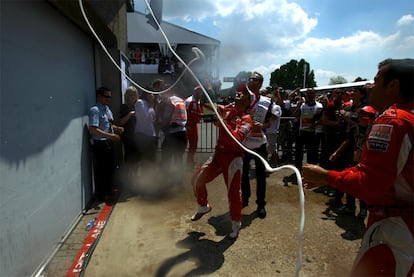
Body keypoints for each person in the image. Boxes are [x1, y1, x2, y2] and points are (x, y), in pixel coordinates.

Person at [302, 58, 414, 276]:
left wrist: (326, 176)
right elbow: (369, 169)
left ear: (393, 86)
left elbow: (370, 183)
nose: (369, 86)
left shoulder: (393, 120)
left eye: (376, 80)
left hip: (393, 227)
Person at [190, 84, 254, 239]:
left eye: (244, 93)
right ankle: (203, 205)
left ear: (248, 101)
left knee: (233, 192)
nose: (239, 93)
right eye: (240, 91)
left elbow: (236, 139)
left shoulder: (247, 120)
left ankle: (236, 224)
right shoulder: (227, 109)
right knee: (197, 179)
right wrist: (205, 96)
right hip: (218, 154)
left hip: (233, 158)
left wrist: (221, 123)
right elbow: (208, 113)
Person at [241, 71, 276, 219]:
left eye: (254, 79)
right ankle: (244, 198)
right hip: (244, 143)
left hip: (260, 143)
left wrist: (262, 126)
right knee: (243, 174)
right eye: (250, 78)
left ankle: (261, 204)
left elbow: (269, 122)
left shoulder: (267, 102)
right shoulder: (242, 98)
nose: (251, 81)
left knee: (261, 176)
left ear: (260, 83)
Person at [88, 87, 124, 204]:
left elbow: (109, 125)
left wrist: (116, 128)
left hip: (108, 142)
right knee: (102, 171)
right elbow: (93, 129)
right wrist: (111, 136)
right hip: (100, 144)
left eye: (109, 96)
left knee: (110, 168)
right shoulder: (95, 110)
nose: (108, 99)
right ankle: (102, 195)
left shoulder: (107, 109)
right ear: (99, 96)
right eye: (106, 96)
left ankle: (109, 191)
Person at [158, 86, 188, 183]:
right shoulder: (180, 100)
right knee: (178, 158)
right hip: (182, 133)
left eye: (162, 93)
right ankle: (179, 180)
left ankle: (164, 180)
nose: (161, 95)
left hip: (173, 134)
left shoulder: (170, 102)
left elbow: (167, 118)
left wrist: (159, 125)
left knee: (166, 157)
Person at [293, 88, 323, 170]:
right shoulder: (302, 105)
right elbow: (295, 115)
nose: (309, 95)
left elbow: (321, 119)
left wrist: (316, 123)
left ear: (314, 95)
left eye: (311, 93)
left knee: (311, 153)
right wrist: (298, 106)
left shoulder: (319, 106)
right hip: (302, 132)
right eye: (308, 93)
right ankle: (298, 169)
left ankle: (310, 170)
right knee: (298, 152)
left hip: (313, 133)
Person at [134, 90, 157, 165]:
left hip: (150, 135)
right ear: (147, 94)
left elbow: (153, 118)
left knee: (151, 159)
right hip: (142, 135)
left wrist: (151, 106)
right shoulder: (140, 102)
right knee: (144, 159)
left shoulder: (149, 105)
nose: (153, 96)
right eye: (152, 94)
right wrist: (151, 106)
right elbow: (146, 116)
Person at [185, 85, 203, 167]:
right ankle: (187, 162)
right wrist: (186, 124)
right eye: (199, 92)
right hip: (188, 126)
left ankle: (190, 161)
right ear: (195, 92)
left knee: (194, 145)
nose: (201, 94)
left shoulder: (198, 101)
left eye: (201, 92)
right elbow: (184, 113)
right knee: (186, 145)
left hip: (194, 126)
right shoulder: (189, 101)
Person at [119, 86, 138, 163]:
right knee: (129, 158)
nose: (132, 97)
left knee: (137, 158)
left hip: (137, 136)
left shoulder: (138, 106)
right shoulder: (124, 107)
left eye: (134, 95)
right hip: (128, 137)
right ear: (127, 96)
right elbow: (121, 122)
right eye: (130, 95)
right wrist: (130, 114)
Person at [266, 89, 283, 167]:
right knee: (264, 149)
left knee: (273, 149)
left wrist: (267, 110)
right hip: (264, 130)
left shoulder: (276, 107)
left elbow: (274, 117)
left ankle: (275, 164)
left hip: (272, 131)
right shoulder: (265, 107)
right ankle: (265, 164)